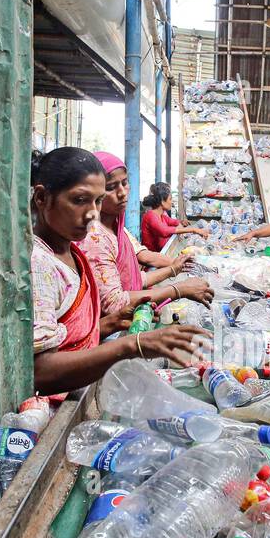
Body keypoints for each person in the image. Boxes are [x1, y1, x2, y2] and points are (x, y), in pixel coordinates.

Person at [30, 148, 204, 396]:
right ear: (41, 198)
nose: (92, 212)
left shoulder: (70, 252)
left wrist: (105, 325)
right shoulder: (40, 264)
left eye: (97, 200)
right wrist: (131, 345)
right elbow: (41, 371)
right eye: (79, 200)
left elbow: (67, 336)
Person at [78, 152, 213, 317]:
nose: (122, 192)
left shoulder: (119, 229)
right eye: (111, 187)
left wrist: (174, 268)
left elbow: (134, 279)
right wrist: (178, 289)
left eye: (125, 183)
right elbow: (114, 303)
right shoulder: (95, 238)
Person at [140, 182, 209, 254]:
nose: (172, 202)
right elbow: (164, 231)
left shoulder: (161, 216)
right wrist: (193, 230)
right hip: (151, 257)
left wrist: (182, 222)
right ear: (162, 202)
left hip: (159, 253)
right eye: (170, 199)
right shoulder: (150, 215)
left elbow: (173, 222)